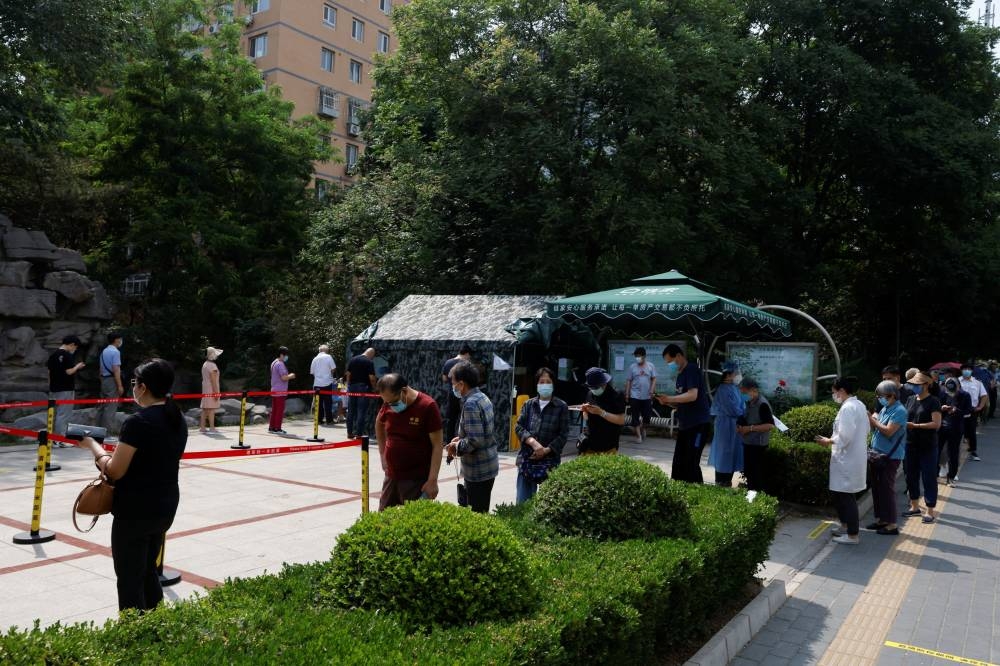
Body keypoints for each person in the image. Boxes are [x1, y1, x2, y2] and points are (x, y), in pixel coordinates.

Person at [83, 358, 187, 612]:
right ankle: (157, 625)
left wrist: (92, 446)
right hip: (165, 506)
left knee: (130, 577)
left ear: (142, 387)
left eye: (134, 383)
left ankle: (132, 638)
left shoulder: (137, 422)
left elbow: (116, 470)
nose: (133, 388)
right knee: (148, 569)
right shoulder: (177, 418)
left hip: (135, 510)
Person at [374, 373, 443, 510]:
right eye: (386, 403)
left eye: (393, 402)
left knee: (413, 523)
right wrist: (382, 454)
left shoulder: (427, 406)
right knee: (383, 520)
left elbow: (437, 445)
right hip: (392, 476)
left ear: (404, 391)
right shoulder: (388, 402)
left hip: (415, 479)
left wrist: (432, 481)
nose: (390, 406)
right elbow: (379, 424)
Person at [814, 377, 869, 545]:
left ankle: (853, 535)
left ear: (842, 391)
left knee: (846, 497)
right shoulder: (859, 405)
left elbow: (844, 436)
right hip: (852, 457)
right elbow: (865, 429)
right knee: (841, 494)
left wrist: (827, 441)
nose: (833, 395)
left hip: (847, 458)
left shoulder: (848, 408)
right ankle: (845, 526)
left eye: (834, 392)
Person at [445, 361, 499, 513]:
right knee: (481, 509)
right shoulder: (482, 397)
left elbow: (475, 441)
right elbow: (480, 432)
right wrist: (460, 438)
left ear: (461, 384)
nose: (453, 387)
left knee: (476, 514)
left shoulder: (471, 404)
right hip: (488, 465)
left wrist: (455, 446)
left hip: (478, 470)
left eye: (453, 383)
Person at [655, 344, 712, 483]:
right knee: (679, 464)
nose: (670, 365)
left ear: (679, 356)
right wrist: (666, 401)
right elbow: (681, 401)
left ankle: (697, 493)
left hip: (698, 426)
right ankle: (679, 493)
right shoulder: (680, 375)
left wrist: (670, 398)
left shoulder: (691, 369)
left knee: (691, 463)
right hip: (685, 426)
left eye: (670, 362)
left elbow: (692, 395)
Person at [514, 367, 569, 503]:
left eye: (548, 381)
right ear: (537, 384)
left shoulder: (561, 406)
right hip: (527, 461)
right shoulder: (529, 404)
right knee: (523, 504)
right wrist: (533, 442)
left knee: (547, 505)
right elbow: (519, 427)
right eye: (541, 381)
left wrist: (546, 450)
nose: (545, 384)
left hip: (550, 462)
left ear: (553, 384)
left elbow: (563, 435)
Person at [866, 381, 907, 535]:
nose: (880, 399)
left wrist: (873, 420)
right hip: (878, 454)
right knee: (877, 489)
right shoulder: (886, 408)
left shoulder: (900, 411)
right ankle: (882, 519)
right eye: (879, 396)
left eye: (883, 396)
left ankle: (892, 524)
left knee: (887, 489)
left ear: (893, 395)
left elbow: (889, 431)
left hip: (890, 456)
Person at [903, 372, 941, 523]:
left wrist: (916, 426)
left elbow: (936, 424)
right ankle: (914, 506)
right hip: (910, 444)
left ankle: (930, 510)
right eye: (913, 384)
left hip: (928, 446)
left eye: (917, 385)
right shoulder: (910, 399)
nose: (914, 387)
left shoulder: (934, 401)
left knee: (928, 477)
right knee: (910, 475)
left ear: (926, 385)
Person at [708, 362, 744, 487]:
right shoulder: (723, 389)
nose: (738, 375)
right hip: (725, 424)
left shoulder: (734, 387)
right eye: (736, 373)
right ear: (729, 374)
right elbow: (732, 409)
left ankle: (727, 480)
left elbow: (741, 404)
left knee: (733, 451)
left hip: (734, 424)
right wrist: (743, 413)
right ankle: (721, 481)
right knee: (724, 452)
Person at [736, 377, 775, 491]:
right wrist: (739, 426)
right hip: (748, 443)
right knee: (749, 472)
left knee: (756, 475)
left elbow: (770, 425)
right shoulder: (749, 402)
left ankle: (757, 499)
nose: (743, 395)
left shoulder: (762, 404)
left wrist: (750, 428)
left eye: (744, 392)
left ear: (753, 390)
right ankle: (751, 497)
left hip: (758, 445)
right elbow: (744, 417)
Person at [47, 334, 85, 443]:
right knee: (63, 414)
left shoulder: (53, 354)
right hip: (66, 388)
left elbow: (49, 372)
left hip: (54, 388)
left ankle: (52, 438)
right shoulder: (67, 355)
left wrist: (51, 385)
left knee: (53, 414)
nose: (75, 349)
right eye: (75, 347)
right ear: (72, 345)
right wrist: (77, 366)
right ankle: (61, 439)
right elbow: (69, 371)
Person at [579, 367, 627, 454]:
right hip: (590, 444)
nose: (593, 389)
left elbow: (621, 420)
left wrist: (601, 413)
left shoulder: (616, 395)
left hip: (608, 446)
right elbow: (586, 418)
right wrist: (585, 411)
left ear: (604, 383)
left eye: (596, 387)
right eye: (591, 387)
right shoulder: (590, 394)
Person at [939, 377, 970, 486]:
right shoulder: (942, 394)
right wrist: (941, 408)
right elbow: (935, 408)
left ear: (958, 386)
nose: (950, 392)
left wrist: (957, 410)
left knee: (953, 453)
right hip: (941, 427)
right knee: (937, 450)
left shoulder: (965, 395)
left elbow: (968, 411)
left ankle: (951, 477)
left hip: (956, 428)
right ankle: (935, 474)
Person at [624, 347, 657, 443]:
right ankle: (638, 436)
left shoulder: (651, 366)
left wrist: (652, 390)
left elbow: (654, 378)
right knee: (635, 416)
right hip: (634, 395)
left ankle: (643, 428)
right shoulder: (632, 367)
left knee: (647, 417)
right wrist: (627, 393)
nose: (637, 358)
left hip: (647, 396)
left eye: (639, 356)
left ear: (644, 356)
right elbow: (629, 380)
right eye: (636, 356)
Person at [441, 345, 473, 441]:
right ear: (467, 353)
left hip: (452, 394)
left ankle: (449, 441)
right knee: (465, 419)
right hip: (464, 395)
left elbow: (444, 378)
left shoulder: (448, 362)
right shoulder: (467, 364)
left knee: (451, 419)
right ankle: (464, 441)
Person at [346, 347, 377, 439]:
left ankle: (349, 433)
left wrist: (349, 384)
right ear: (371, 354)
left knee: (350, 411)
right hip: (363, 388)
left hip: (352, 387)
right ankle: (359, 434)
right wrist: (374, 388)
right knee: (361, 411)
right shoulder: (369, 362)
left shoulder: (353, 359)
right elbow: (371, 378)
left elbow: (348, 374)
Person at [959, 362, 987, 461]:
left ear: (971, 371)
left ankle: (973, 451)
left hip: (972, 410)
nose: (966, 371)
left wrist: (980, 407)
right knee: (958, 431)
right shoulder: (957, 381)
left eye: (969, 369)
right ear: (961, 370)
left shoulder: (977, 382)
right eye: (964, 369)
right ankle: (955, 451)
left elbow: (984, 395)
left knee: (971, 432)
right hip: (959, 410)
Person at [97, 332, 125, 431]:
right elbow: (116, 369)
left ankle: (98, 431)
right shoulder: (115, 352)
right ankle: (107, 433)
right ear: (117, 340)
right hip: (112, 380)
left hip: (104, 380)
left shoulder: (104, 351)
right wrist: (120, 385)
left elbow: (100, 369)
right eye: (120, 339)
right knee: (111, 407)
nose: (121, 341)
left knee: (102, 406)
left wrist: (102, 380)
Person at [268, 346, 296, 435]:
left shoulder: (274, 362)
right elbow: (284, 378)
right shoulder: (280, 364)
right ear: (281, 355)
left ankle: (272, 427)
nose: (286, 357)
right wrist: (291, 375)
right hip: (280, 391)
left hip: (274, 389)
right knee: (279, 410)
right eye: (285, 355)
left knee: (275, 410)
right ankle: (277, 428)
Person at [310, 344, 338, 426]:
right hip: (327, 383)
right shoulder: (328, 357)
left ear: (319, 350)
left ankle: (319, 420)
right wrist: (330, 375)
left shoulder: (315, 359)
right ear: (326, 350)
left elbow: (312, 372)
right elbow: (333, 368)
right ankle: (329, 420)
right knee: (328, 403)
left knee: (318, 403)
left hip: (317, 384)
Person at [199, 347, 223, 433]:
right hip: (211, 388)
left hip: (205, 388)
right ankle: (212, 427)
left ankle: (202, 427)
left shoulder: (205, 364)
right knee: (211, 409)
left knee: (205, 408)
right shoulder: (212, 365)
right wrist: (216, 392)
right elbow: (213, 380)